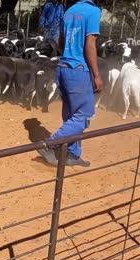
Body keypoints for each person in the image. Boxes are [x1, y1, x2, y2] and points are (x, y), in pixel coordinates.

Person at [37, 0, 104, 167]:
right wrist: (96, 75)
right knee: (84, 115)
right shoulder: (93, 11)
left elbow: (60, 43)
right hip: (78, 70)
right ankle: (49, 145)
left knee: (71, 115)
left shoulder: (69, 11)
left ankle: (72, 154)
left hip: (62, 67)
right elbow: (90, 45)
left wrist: (69, 53)